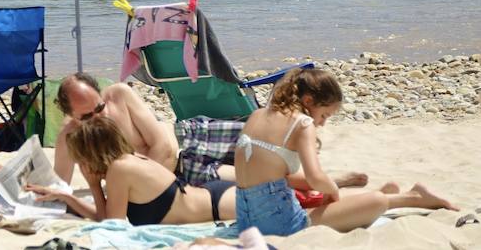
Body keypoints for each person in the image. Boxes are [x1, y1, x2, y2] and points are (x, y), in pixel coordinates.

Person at [233, 68, 456, 236]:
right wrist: (333, 191)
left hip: (246, 220)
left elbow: (274, 176)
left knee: (323, 199)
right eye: (324, 115)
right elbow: (316, 177)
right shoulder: (301, 123)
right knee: (376, 202)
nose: (321, 123)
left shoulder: (258, 115)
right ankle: (413, 197)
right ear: (309, 101)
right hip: (280, 224)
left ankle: (385, 195)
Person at [29, 116, 236, 224]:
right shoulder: (122, 164)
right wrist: (65, 197)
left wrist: (94, 186)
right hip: (214, 197)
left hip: (219, 204)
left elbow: (112, 225)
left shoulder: (121, 169)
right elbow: (108, 216)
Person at [53, 73, 178, 188]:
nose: (97, 118)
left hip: (184, 149)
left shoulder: (119, 95)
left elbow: (163, 145)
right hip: (150, 184)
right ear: (71, 116)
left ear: (100, 95)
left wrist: (135, 187)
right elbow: (60, 186)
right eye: (86, 117)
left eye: (99, 108)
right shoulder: (68, 135)